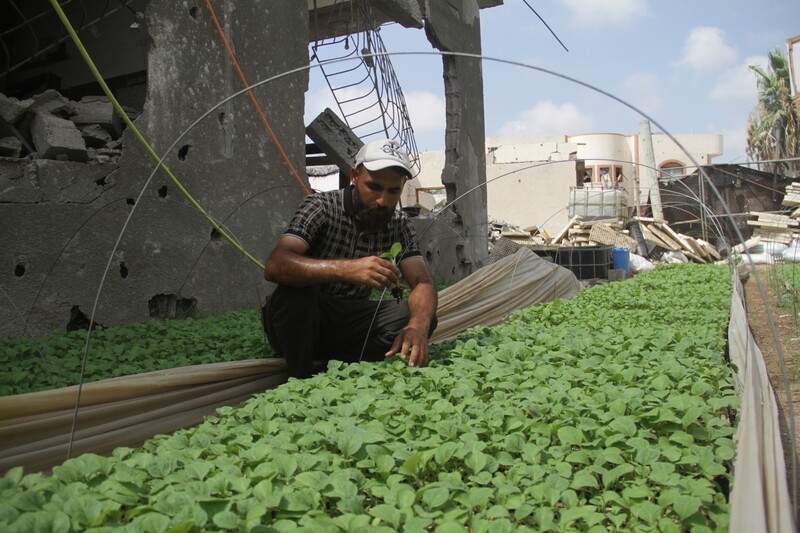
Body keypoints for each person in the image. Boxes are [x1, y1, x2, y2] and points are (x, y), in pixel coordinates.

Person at [262, 138, 438, 379]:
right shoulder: (321, 207)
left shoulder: (398, 224)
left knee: (419, 317)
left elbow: (421, 282)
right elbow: (276, 265)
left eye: (393, 191)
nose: (383, 201)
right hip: (304, 316)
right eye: (374, 187)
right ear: (354, 176)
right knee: (295, 293)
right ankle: (299, 376)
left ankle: (335, 367)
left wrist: (417, 326)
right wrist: (345, 269)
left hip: (350, 321)